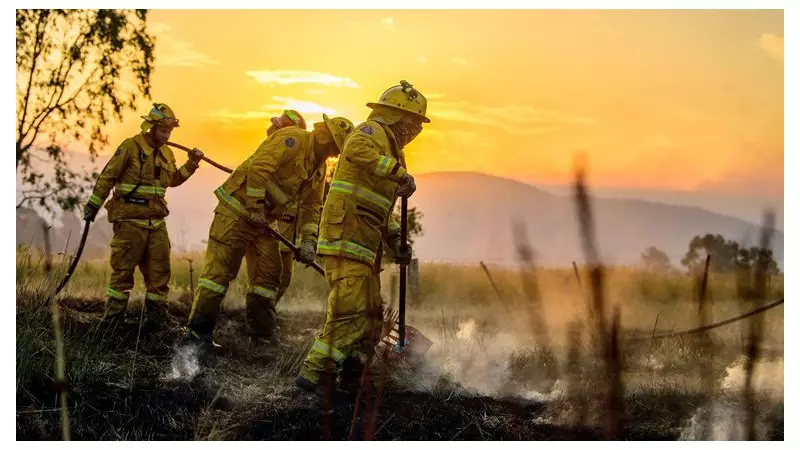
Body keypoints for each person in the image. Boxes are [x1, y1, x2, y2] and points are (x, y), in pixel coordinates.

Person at [295, 80, 428, 398]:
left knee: (371, 317)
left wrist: (397, 240)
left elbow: (383, 208)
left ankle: (352, 380)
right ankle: (311, 380)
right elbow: (356, 150)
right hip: (346, 237)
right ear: (396, 116)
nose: (415, 131)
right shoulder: (372, 132)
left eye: (419, 127)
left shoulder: (396, 153)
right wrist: (397, 173)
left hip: (366, 245)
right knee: (349, 311)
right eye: (412, 123)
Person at [184, 114, 354, 348]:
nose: (334, 153)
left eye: (338, 150)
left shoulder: (318, 169)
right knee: (220, 273)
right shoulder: (291, 139)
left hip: (264, 222)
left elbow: (312, 206)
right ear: (324, 136)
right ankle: (197, 334)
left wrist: (308, 241)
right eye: (335, 147)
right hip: (237, 210)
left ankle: (261, 337)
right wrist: (254, 207)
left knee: (269, 275)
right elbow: (259, 168)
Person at [83, 103, 204, 325]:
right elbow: (108, 177)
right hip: (129, 221)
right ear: (150, 128)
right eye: (163, 131)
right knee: (122, 275)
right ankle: (112, 325)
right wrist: (93, 205)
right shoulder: (130, 147)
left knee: (160, 276)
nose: (167, 135)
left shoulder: (167, 153)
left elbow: (173, 180)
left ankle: (156, 324)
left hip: (157, 223)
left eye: (169, 132)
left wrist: (191, 164)